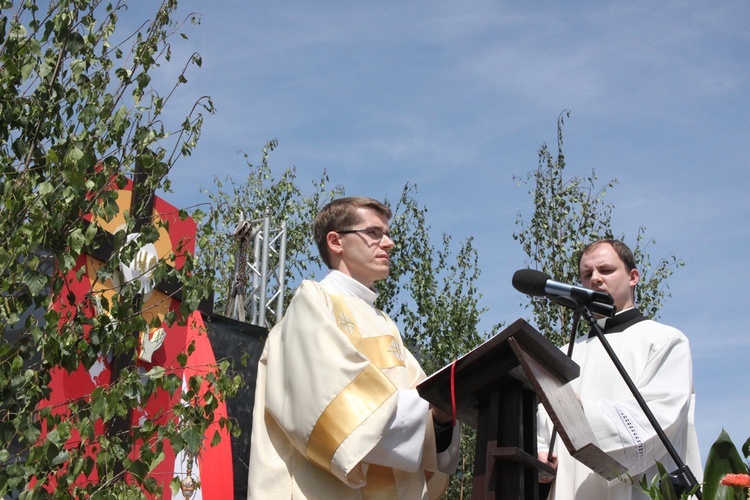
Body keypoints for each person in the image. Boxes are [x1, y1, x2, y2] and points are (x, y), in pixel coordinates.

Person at [248, 196, 460, 499]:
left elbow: (424, 404)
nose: (389, 244)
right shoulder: (314, 302)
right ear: (336, 242)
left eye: (387, 234)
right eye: (374, 233)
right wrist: (426, 409)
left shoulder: (385, 323)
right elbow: (329, 405)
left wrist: (442, 416)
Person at [537, 239, 702, 499]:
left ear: (633, 277)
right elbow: (543, 428)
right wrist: (540, 454)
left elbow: (661, 420)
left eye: (606, 270)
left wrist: (581, 412)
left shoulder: (665, 341)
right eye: (587, 274)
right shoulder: (565, 353)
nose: (595, 279)